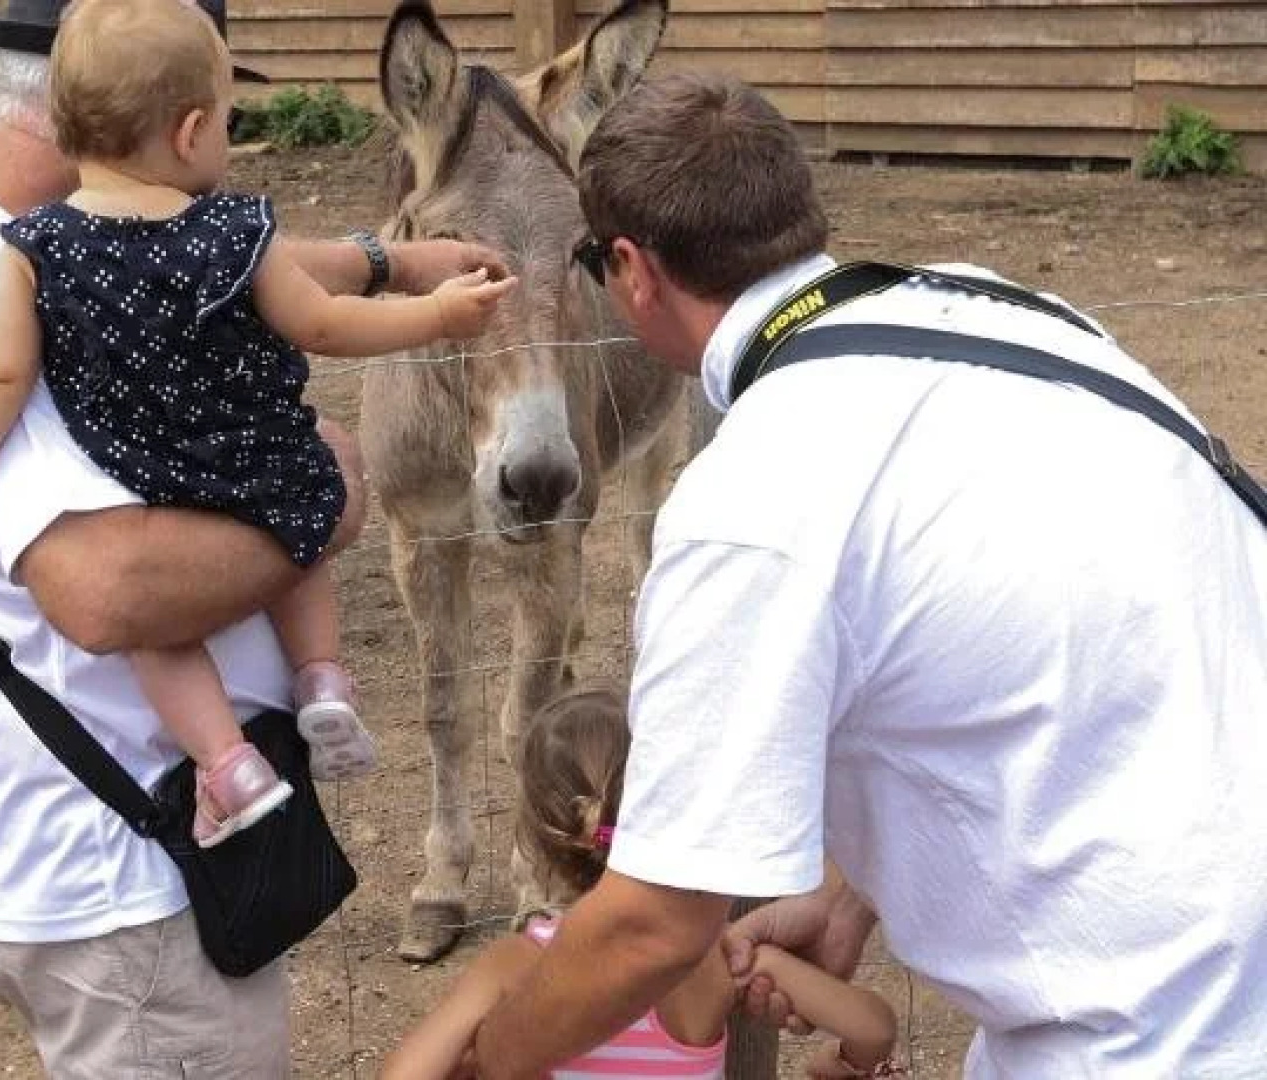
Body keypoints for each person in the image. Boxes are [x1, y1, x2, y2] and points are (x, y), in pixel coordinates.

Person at [459, 71, 1267, 1078]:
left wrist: (488, 1061)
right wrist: (849, 890)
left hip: (1158, 1033)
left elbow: (651, 926)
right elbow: (1015, 618)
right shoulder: (1008, 316)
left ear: (631, 269)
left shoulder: (747, 500)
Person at [0, 0, 511, 1073]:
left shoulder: (49, 251)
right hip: (134, 893)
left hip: (153, 878)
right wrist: (329, 496)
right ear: (186, 128)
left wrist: (389, 261)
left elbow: (198, 253)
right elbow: (108, 594)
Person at [382, 685, 900, 1080]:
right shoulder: (715, 960)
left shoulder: (512, 966)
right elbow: (873, 1027)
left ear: (537, 837)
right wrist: (844, 1064)